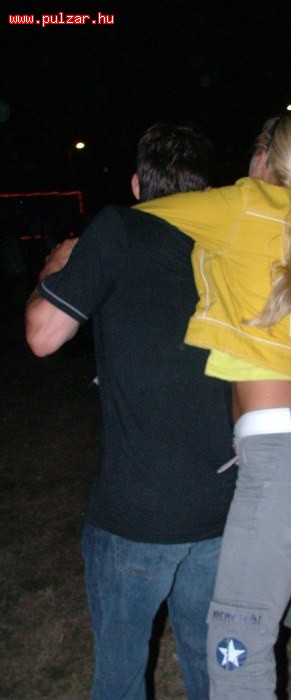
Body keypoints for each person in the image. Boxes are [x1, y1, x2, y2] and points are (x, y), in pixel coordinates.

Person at [137, 113, 291, 700]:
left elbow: (140, 216)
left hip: (279, 463)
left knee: (235, 642)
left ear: (263, 157)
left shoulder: (246, 203)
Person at [25, 123, 238, 700]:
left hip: (137, 513)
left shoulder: (119, 227)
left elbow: (43, 336)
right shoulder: (227, 246)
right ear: (205, 189)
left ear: (138, 185)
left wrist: (54, 268)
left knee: (119, 677)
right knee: (213, 670)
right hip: (223, 503)